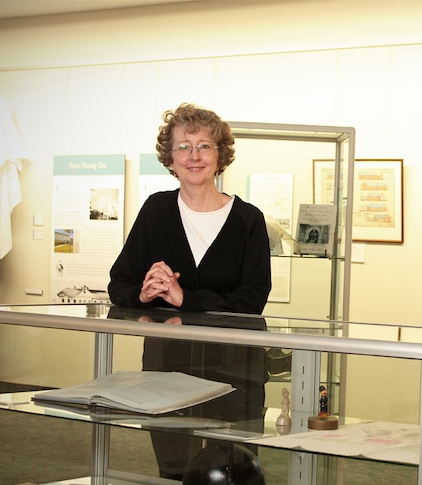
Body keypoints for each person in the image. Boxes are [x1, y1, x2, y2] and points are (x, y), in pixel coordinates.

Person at [108, 102, 272, 480]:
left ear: (220, 156)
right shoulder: (155, 210)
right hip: (168, 365)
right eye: (184, 146)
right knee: (173, 470)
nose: (193, 156)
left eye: (204, 146)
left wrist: (186, 299)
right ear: (170, 156)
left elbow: (252, 300)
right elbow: (119, 283)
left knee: (236, 471)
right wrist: (144, 294)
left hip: (237, 369)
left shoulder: (249, 220)